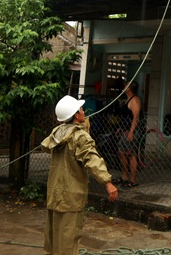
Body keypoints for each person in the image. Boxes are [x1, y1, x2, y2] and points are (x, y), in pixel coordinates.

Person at [41, 95, 118, 255]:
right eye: (82, 110)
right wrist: (107, 182)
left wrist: (83, 128)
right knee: (69, 240)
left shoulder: (57, 133)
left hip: (54, 194)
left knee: (53, 238)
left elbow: (47, 147)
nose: (84, 112)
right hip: (71, 196)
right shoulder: (80, 137)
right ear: (76, 115)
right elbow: (92, 159)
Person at [117, 80, 142, 188]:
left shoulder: (135, 100)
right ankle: (125, 177)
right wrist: (120, 129)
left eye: (126, 85)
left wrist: (131, 132)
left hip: (132, 131)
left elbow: (136, 118)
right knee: (122, 152)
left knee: (132, 154)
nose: (124, 86)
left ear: (129, 88)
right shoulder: (128, 100)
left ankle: (133, 179)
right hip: (125, 130)